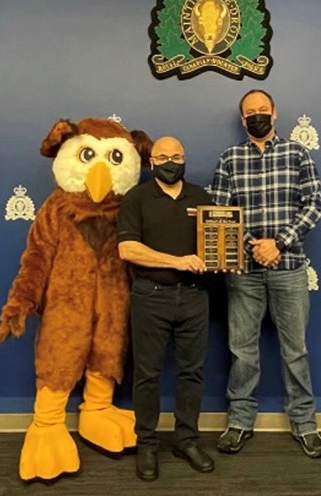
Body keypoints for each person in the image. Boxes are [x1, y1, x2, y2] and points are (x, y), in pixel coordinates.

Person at [208, 89, 321, 459]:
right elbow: (218, 210)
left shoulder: (297, 154)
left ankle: (305, 425)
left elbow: (314, 204)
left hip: (289, 269)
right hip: (243, 272)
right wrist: (253, 245)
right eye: (250, 112)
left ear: (275, 114)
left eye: (263, 110)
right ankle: (240, 422)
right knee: (242, 351)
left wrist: (278, 242)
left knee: (296, 352)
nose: (257, 115)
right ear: (243, 119)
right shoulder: (230, 158)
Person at [117, 136, 216, 482]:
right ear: (151, 161)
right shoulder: (137, 198)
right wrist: (177, 261)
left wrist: (221, 258)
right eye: (163, 156)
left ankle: (186, 440)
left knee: (192, 372)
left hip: (194, 297)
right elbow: (128, 249)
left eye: (177, 156)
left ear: (185, 159)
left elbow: (216, 241)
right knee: (147, 374)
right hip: (150, 295)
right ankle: (147, 444)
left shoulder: (201, 197)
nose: (171, 162)